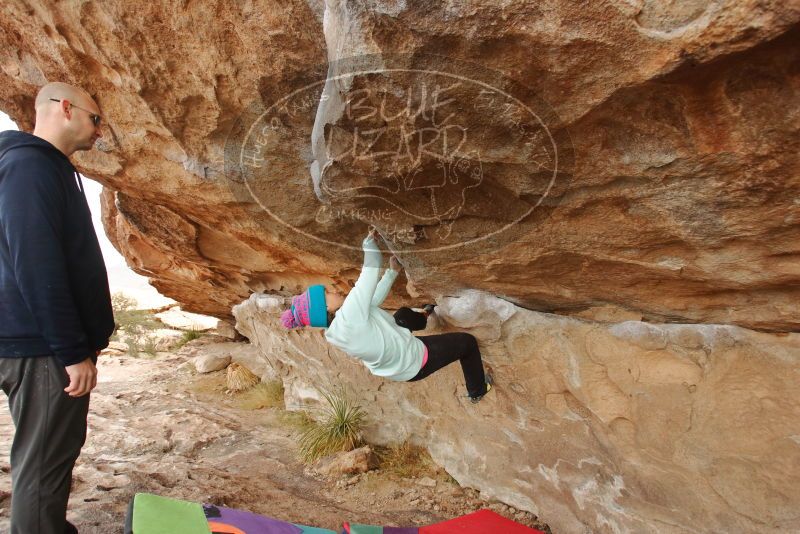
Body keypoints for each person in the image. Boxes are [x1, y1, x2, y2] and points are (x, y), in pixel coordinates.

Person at [0, 82, 114, 534]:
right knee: (44, 464)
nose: (98, 132)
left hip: (32, 343)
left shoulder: (34, 166)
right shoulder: (31, 167)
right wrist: (71, 352)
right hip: (41, 349)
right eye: (95, 119)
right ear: (65, 108)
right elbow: (37, 263)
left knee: (40, 453)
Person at [281, 230, 492, 403]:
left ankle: (426, 314)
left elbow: (373, 300)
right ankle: (478, 391)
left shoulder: (335, 331)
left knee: (402, 316)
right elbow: (369, 271)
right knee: (467, 343)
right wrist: (368, 242)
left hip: (396, 368)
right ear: (325, 307)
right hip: (415, 360)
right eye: (328, 293)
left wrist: (392, 272)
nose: (334, 290)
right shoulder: (349, 314)